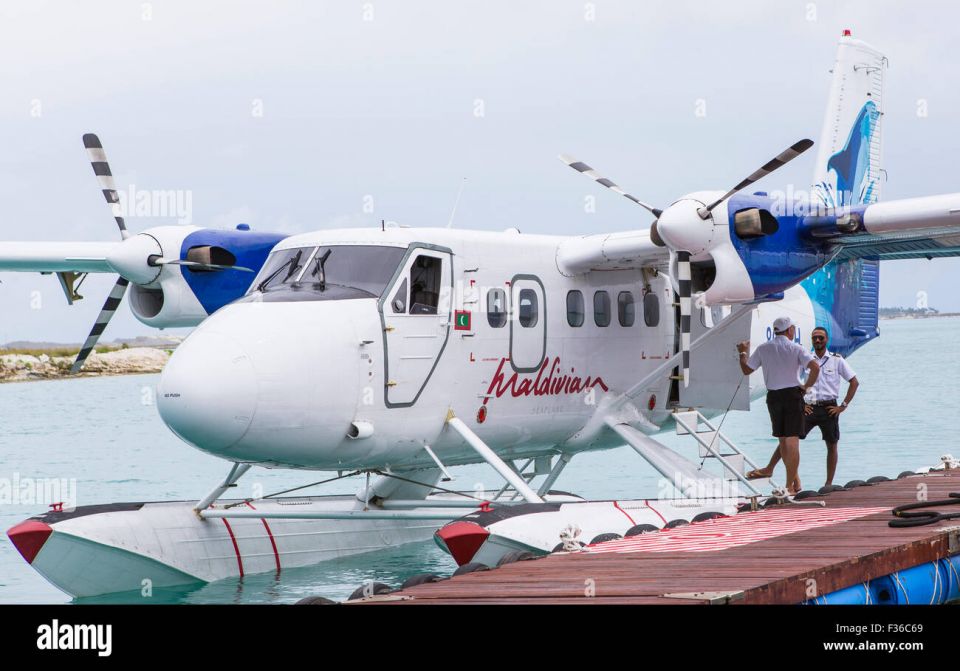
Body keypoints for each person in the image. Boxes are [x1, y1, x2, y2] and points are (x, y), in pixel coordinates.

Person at [746, 326, 859, 487]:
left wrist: (843, 406)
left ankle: (828, 483)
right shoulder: (805, 357)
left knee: (832, 444)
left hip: (829, 407)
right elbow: (793, 379)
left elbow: (854, 382)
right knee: (787, 438)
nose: (818, 340)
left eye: (821, 337)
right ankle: (777, 471)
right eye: (815, 338)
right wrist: (800, 402)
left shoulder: (837, 360)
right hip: (808, 406)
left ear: (827, 340)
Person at [737, 316, 820, 495]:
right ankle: (791, 485)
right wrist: (806, 387)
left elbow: (746, 370)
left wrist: (743, 352)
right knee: (792, 441)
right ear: (790, 330)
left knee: (783, 440)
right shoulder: (796, 348)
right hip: (792, 394)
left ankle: (794, 483)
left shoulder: (763, 348)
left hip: (773, 396)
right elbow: (815, 367)